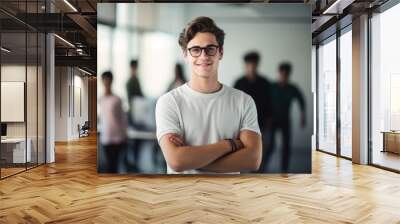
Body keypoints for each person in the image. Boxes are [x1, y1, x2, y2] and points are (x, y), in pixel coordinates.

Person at [155, 16, 262, 174]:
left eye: (210, 48)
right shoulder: (169, 102)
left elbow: (253, 160)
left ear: (221, 52)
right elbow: (176, 161)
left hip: (228, 197)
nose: (203, 56)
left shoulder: (243, 101)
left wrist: (190, 158)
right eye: (195, 50)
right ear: (185, 55)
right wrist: (228, 145)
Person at [233, 51, 272, 172]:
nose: (251, 67)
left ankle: (259, 174)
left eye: (254, 64)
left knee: (262, 156)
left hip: (262, 125)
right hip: (243, 126)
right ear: (245, 65)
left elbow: (270, 105)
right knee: (245, 155)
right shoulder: (239, 83)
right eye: (249, 64)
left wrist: (269, 124)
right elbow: (234, 106)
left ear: (257, 64)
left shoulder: (265, 83)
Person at [265, 62, 306, 173]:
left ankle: (284, 169)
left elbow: (301, 101)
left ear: (289, 74)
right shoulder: (272, 86)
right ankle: (262, 167)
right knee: (270, 145)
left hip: (285, 121)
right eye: (282, 74)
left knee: (286, 146)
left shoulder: (292, 88)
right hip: (272, 120)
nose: (284, 76)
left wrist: (303, 117)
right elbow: (264, 102)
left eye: (286, 74)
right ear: (278, 73)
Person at [99, 71, 127, 173]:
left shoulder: (117, 99)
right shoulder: (101, 99)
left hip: (117, 138)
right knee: (108, 166)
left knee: (113, 165)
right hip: (106, 137)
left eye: (108, 80)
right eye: (104, 81)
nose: (106, 83)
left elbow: (123, 119)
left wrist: (125, 135)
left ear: (111, 81)